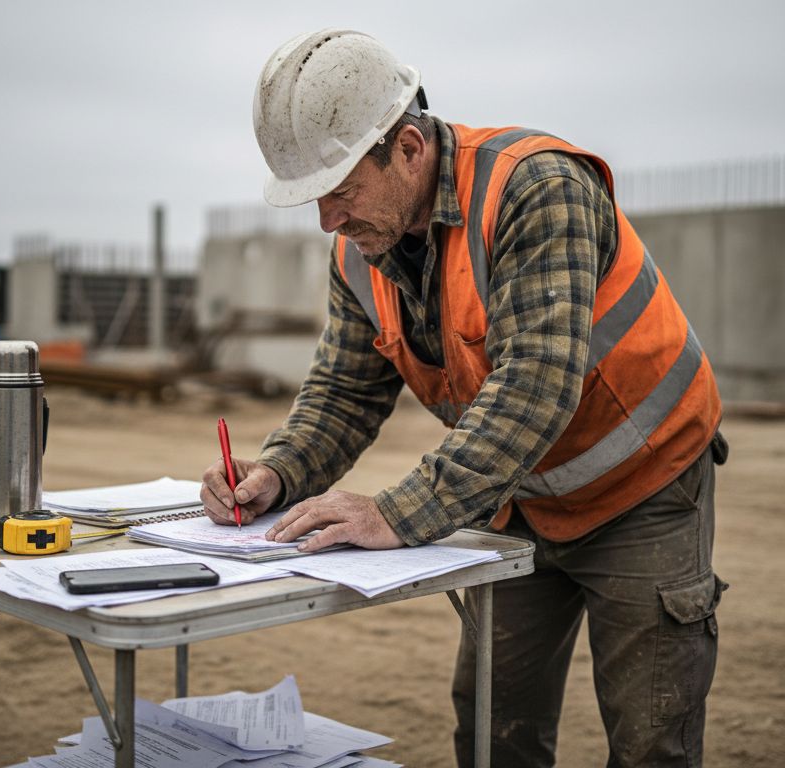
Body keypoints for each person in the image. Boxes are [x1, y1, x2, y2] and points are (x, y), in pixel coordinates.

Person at [201, 28, 728, 768]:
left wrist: (396, 513)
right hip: (516, 498)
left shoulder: (536, 189)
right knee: (492, 731)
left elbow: (536, 384)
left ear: (408, 148)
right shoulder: (361, 248)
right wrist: (278, 471)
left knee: (651, 747)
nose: (328, 220)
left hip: (645, 489)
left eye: (342, 192)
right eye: (317, 199)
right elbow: (345, 390)